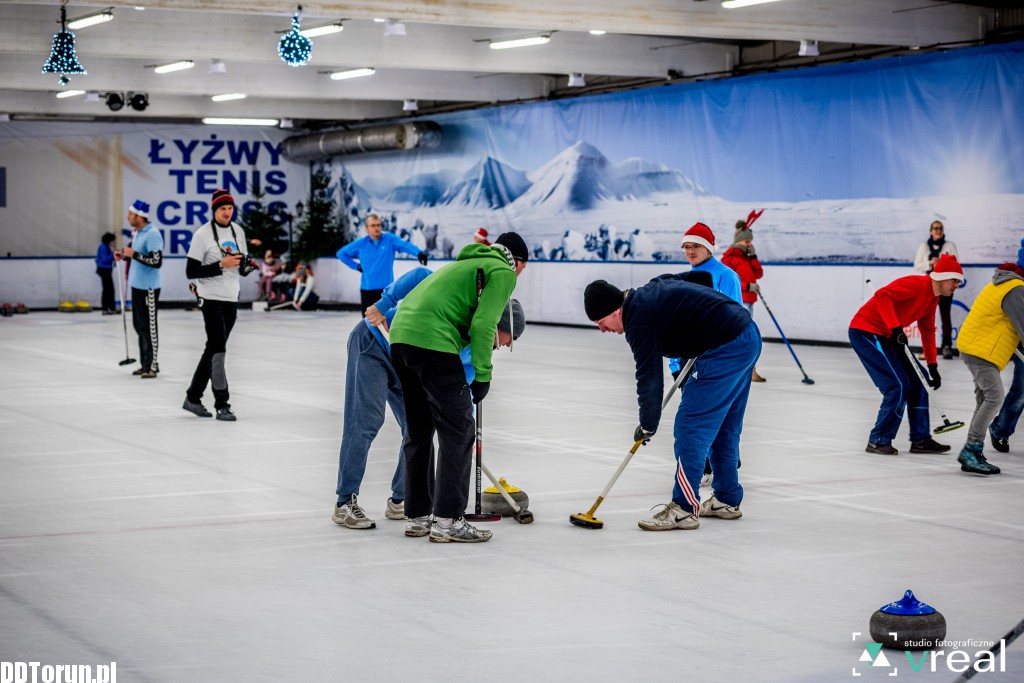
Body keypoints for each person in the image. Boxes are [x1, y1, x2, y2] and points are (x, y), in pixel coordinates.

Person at [333, 264, 525, 530]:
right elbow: (421, 274)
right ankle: (344, 502)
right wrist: (383, 302)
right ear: (497, 322)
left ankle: (402, 499)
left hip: (411, 364)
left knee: (417, 428)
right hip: (376, 340)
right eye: (510, 337)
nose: (506, 345)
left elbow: (462, 390)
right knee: (366, 421)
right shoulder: (455, 304)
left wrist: (463, 433)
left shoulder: (478, 348)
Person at [583, 272, 762, 531]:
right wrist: (701, 317)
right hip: (745, 335)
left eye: (601, 321)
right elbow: (702, 277)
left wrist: (648, 424)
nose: (601, 329)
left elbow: (649, 376)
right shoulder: (653, 287)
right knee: (724, 426)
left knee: (691, 427)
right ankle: (726, 498)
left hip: (725, 348)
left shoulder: (638, 321)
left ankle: (684, 509)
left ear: (616, 310)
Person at [388, 232, 528, 543]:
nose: (519, 276)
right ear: (517, 261)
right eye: (522, 269)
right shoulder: (503, 271)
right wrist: (483, 375)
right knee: (460, 430)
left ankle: (419, 515)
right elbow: (484, 325)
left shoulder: (464, 265)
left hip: (400, 339)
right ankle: (448, 521)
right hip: (433, 341)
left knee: (420, 430)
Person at [848, 254, 964, 455]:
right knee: (898, 385)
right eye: (955, 280)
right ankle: (878, 439)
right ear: (943, 276)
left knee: (921, 381)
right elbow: (883, 296)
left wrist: (932, 366)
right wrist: (895, 328)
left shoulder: (932, 299)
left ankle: (920, 439)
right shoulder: (918, 284)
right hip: (866, 331)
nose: (956, 285)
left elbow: (927, 330)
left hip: (889, 335)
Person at [183, 189, 257, 421]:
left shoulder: (238, 231)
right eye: (223, 208)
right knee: (218, 350)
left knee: (214, 348)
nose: (227, 212)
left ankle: (193, 398)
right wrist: (220, 265)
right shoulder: (202, 235)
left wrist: (246, 266)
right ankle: (222, 403)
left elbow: (240, 267)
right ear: (214, 210)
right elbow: (191, 271)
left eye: (230, 208)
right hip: (210, 296)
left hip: (230, 296)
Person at [953, 260, 1024, 475]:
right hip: (981, 350)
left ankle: (973, 449)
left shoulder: (1000, 284)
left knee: (985, 399)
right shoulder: (1016, 289)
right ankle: (971, 449)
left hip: (976, 347)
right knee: (995, 396)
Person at [669, 222, 743, 380]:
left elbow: (736, 321)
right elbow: (677, 323)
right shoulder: (686, 279)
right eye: (687, 247)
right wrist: (674, 364)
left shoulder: (726, 275)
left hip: (715, 359)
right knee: (689, 405)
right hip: (687, 358)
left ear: (708, 248)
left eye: (696, 246)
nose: (690, 251)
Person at [336, 213, 428, 316]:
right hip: (368, 289)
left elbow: (405, 245)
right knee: (368, 322)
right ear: (367, 229)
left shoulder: (389, 240)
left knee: (389, 321)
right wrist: (355, 266)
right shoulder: (361, 244)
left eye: (378, 225)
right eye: (373, 225)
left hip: (386, 290)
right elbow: (341, 254)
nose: (376, 228)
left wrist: (419, 253)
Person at [120, 201, 163, 378]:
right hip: (137, 286)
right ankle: (145, 363)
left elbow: (156, 261)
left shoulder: (152, 234)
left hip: (149, 288)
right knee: (139, 326)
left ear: (139, 216)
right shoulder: (138, 233)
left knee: (149, 327)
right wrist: (124, 255)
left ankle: (152, 366)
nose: (128, 217)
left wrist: (134, 255)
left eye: (130, 214)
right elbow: (137, 257)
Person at [722, 213, 766, 382]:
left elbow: (758, 273)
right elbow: (728, 281)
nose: (750, 244)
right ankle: (739, 369)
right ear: (739, 240)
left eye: (751, 242)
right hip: (738, 302)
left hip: (749, 300)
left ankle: (750, 369)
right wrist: (747, 286)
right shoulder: (730, 258)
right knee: (742, 335)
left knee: (748, 335)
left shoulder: (746, 258)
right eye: (747, 241)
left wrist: (753, 256)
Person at [913, 220, 959, 359]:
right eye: (935, 228)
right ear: (930, 231)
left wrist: (942, 263)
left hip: (945, 286)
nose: (938, 231)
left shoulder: (949, 246)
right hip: (929, 286)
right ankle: (926, 349)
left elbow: (955, 264)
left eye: (940, 228)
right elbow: (917, 265)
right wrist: (930, 263)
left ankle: (947, 347)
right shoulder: (924, 246)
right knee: (927, 318)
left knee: (945, 316)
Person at [95, 232, 117, 314]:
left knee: (109, 289)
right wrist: (113, 255)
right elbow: (104, 259)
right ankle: (106, 308)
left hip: (106, 269)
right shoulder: (103, 247)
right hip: (104, 269)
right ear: (109, 240)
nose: (113, 242)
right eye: (113, 241)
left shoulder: (106, 247)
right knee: (108, 289)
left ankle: (110, 307)